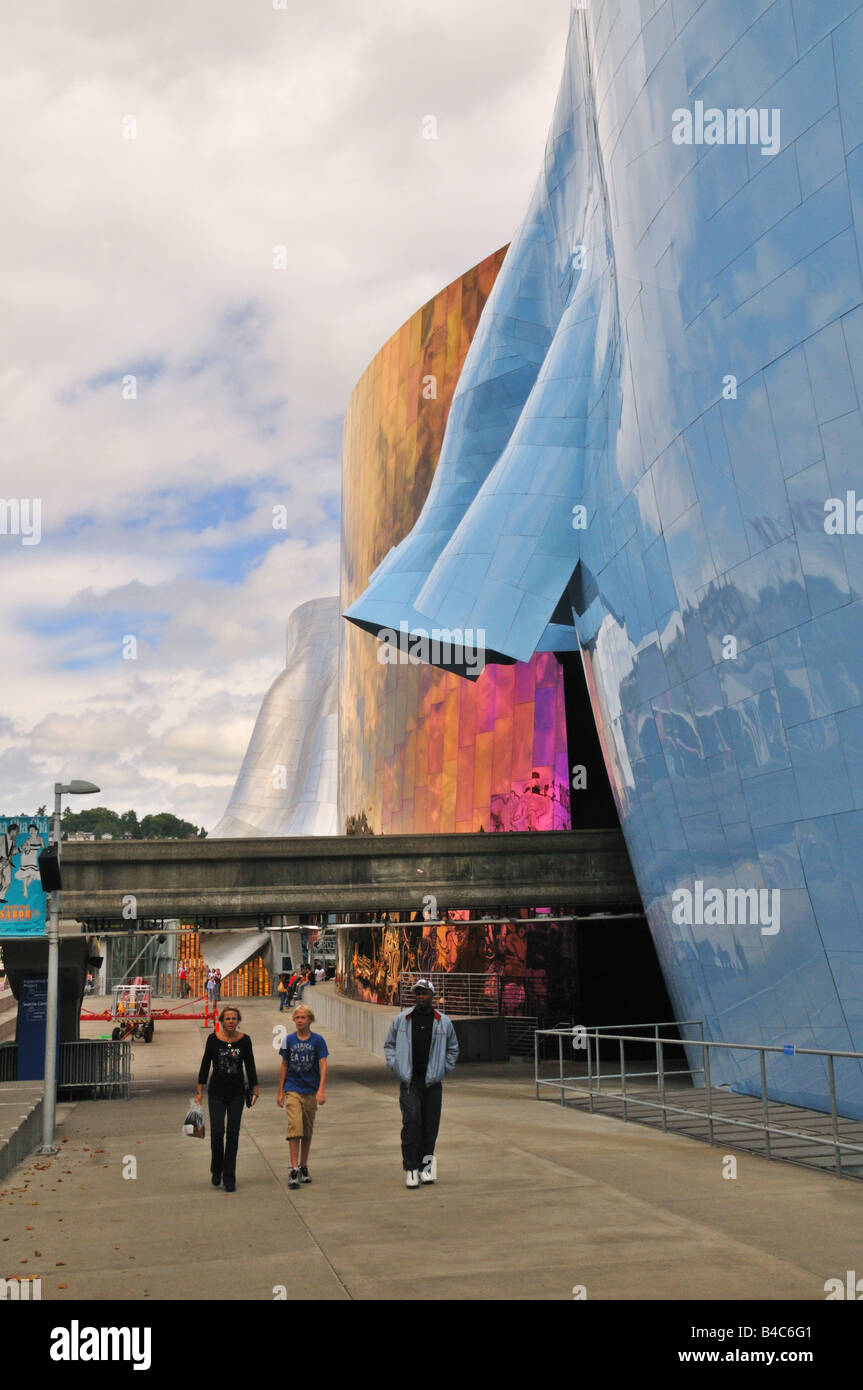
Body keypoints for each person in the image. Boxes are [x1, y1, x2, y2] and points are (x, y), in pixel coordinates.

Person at [383, 979, 459, 1188]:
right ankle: (411, 1169)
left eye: (424, 993)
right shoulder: (403, 1020)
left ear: (432, 996)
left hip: (433, 1084)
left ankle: (426, 1169)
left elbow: (453, 1048)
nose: (420, 997)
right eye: (417, 993)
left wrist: (443, 1069)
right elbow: (389, 1045)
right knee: (412, 1122)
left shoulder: (443, 1022)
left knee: (430, 1127)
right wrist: (395, 1065)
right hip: (410, 1083)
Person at [195, 1006, 258, 1192]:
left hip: (237, 1093)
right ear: (222, 1021)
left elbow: (251, 1066)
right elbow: (205, 1065)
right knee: (217, 1133)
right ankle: (216, 1169)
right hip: (216, 1093)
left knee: (233, 1134)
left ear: (238, 1021)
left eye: (234, 1019)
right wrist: (199, 1091)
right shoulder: (213, 1040)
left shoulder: (245, 1041)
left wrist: (255, 1089)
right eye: (227, 1018)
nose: (230, 1021)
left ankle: (229, 1176)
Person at [276, 1005, 328, 1190]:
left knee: (306, 1130)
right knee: (294, 1128)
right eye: (297, 1017)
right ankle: (294, 1168)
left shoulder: (318, 1041)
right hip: (293, 1089)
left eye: (303, 1017)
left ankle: (304, 1165)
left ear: (309, 1020)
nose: (299, 1020)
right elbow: (284, 1065)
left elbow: (323, 1065)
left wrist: (320, 1090)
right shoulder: (288, 1040)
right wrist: (281, 1091)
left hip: (310, 1090)